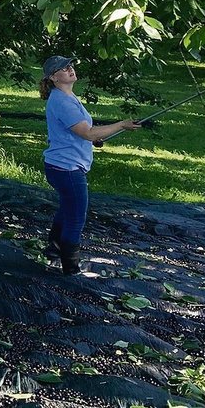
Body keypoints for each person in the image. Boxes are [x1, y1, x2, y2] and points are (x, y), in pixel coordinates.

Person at [39, 55, 140, 275]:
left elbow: (81, 132)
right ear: (54, 77)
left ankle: (54, 250)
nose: (70, 69)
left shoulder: (66, 96)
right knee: (76, 218)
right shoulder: (62, 101)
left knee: (68, 207)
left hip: (60, 165)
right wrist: (121, 125)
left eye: (70, 66)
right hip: (67, 169)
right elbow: (87, 132)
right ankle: (71, 269)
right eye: (63, 68)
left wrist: (94, 137)